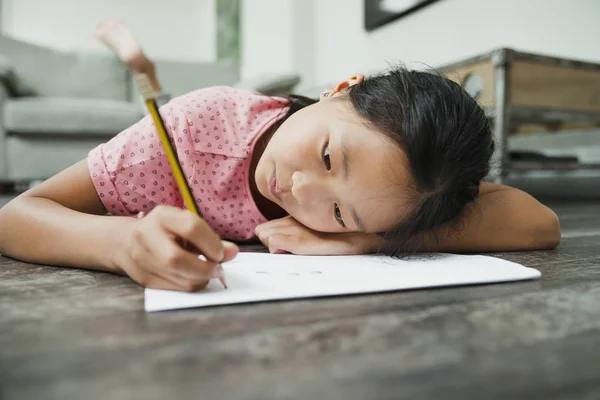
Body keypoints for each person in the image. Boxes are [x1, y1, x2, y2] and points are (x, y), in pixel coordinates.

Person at [0, 19, 561, 292]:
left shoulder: (405, 190)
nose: (300, 192)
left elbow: (541, 224)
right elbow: (17, 216)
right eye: (325, 157)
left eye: (342, 212)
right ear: (340, 87)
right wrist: (120, 242)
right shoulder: (196, 132)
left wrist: (373, 240)